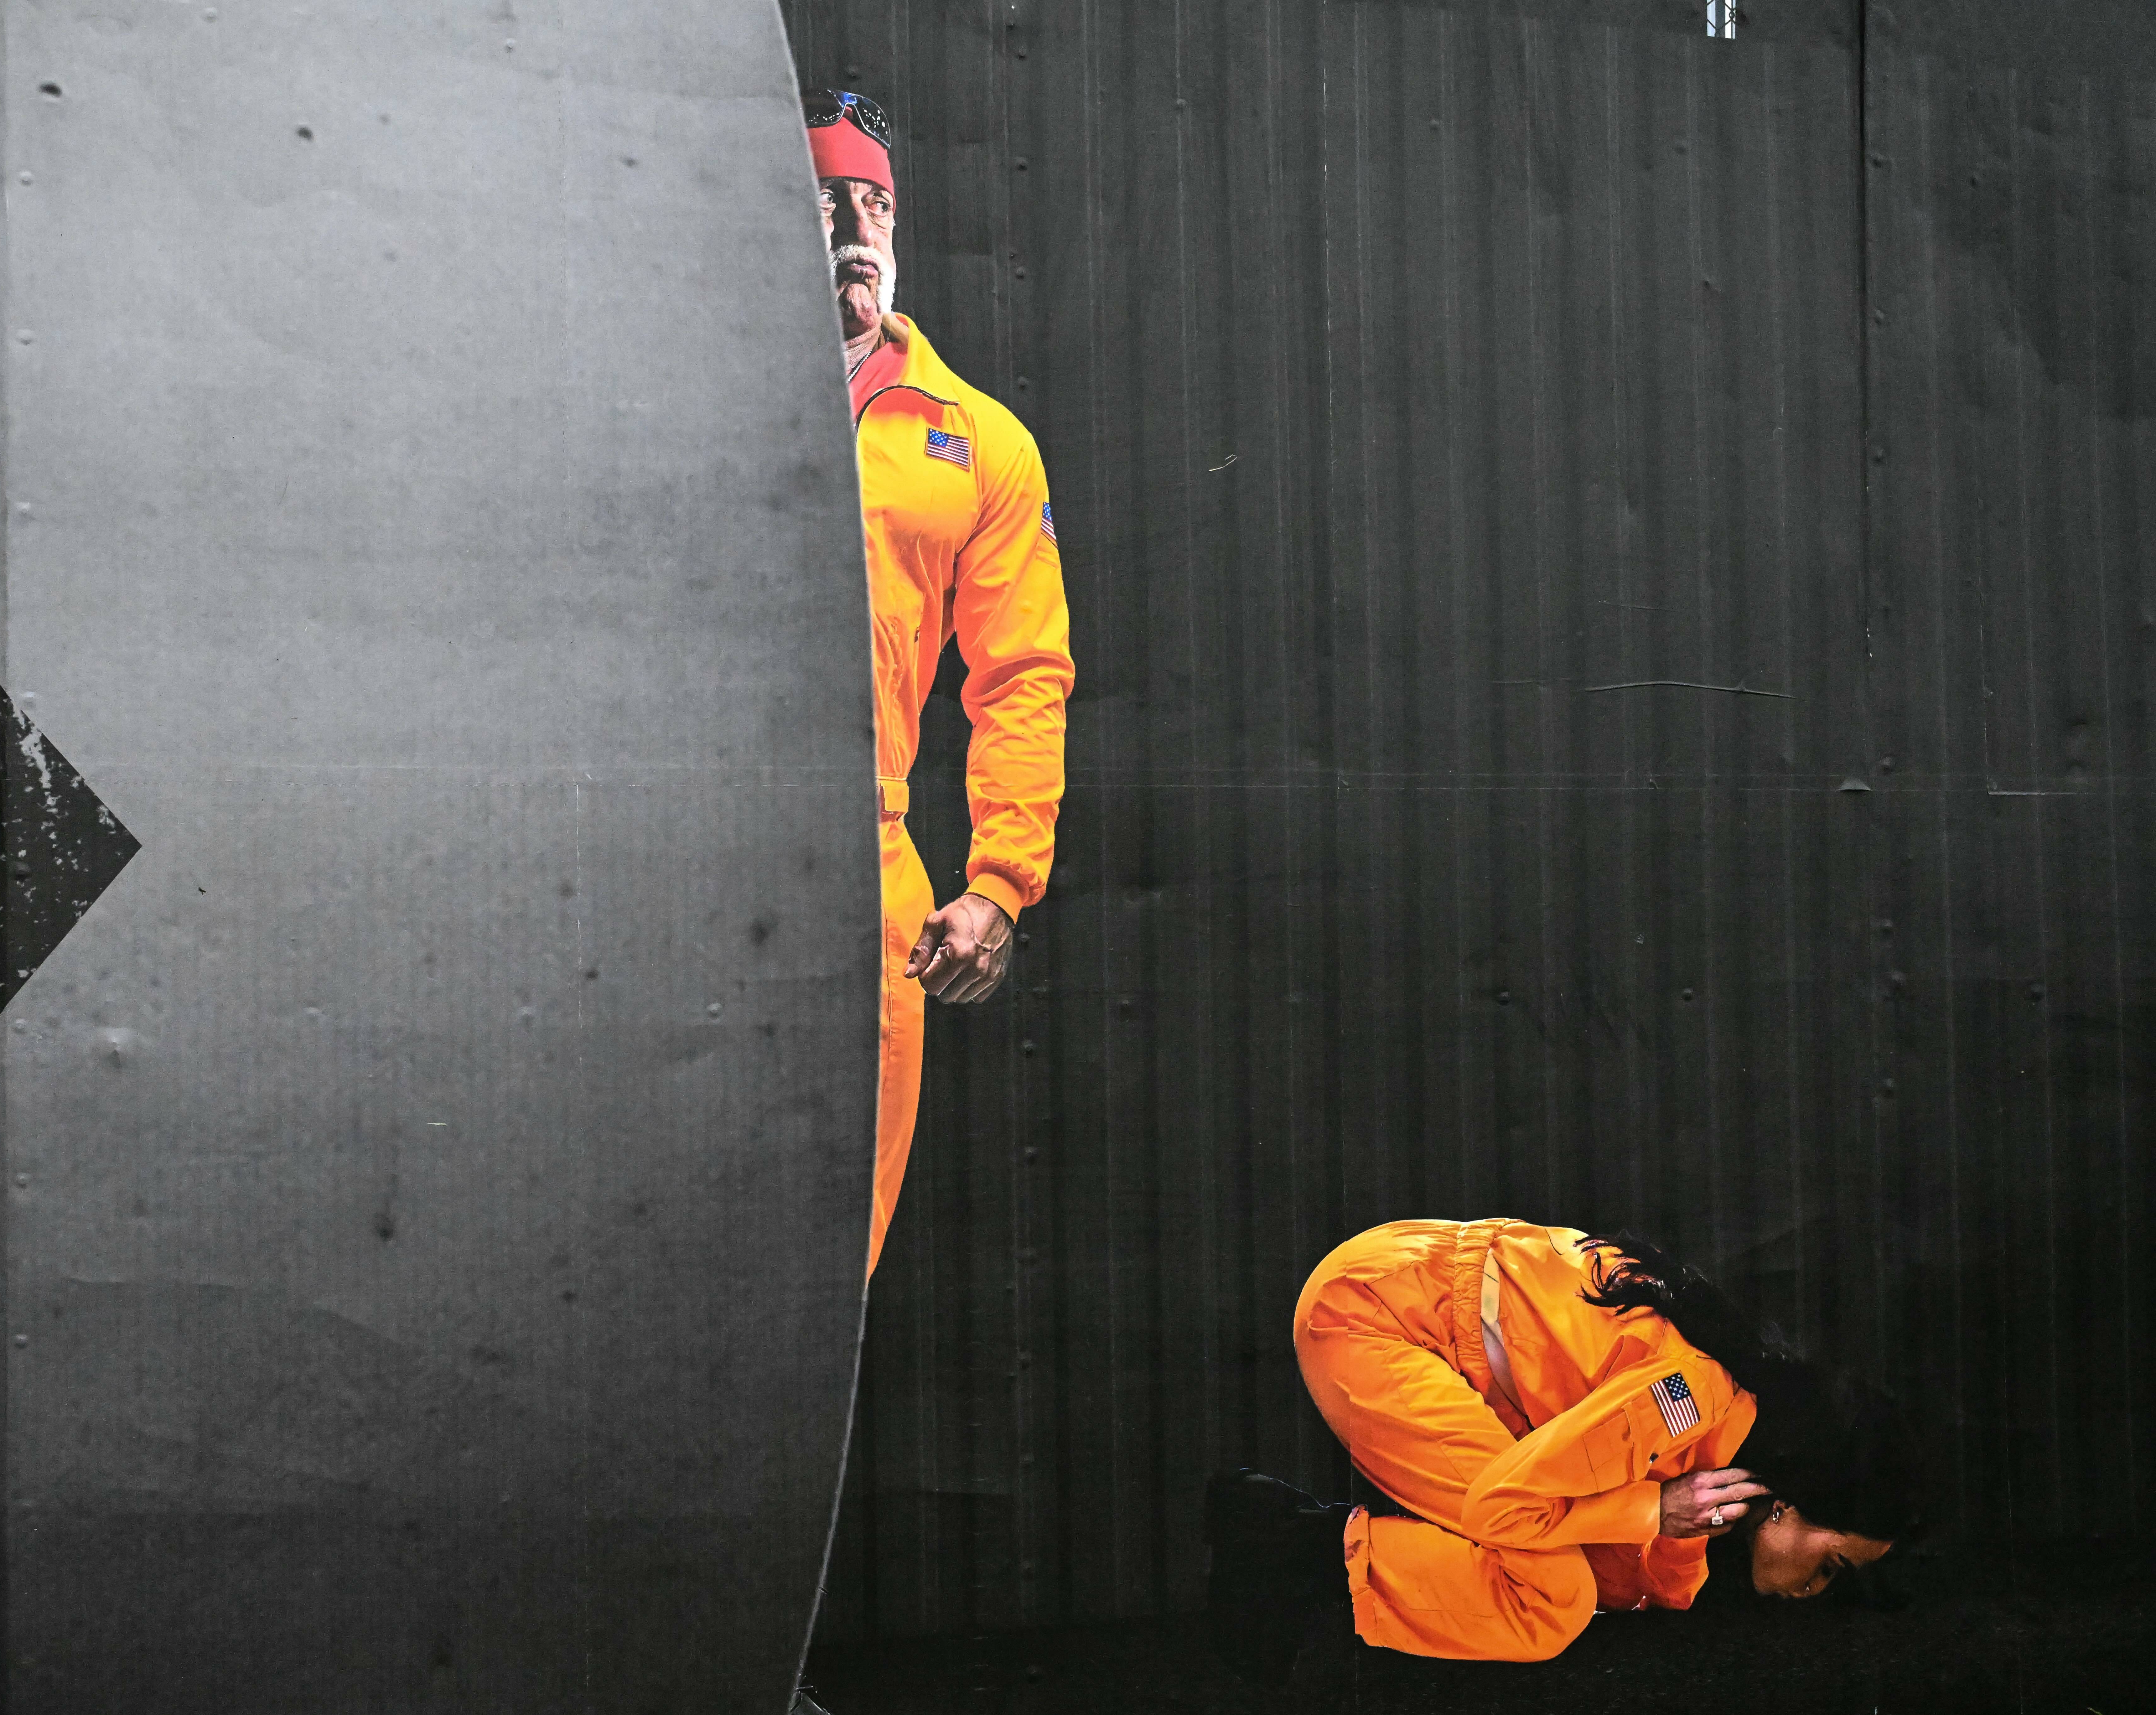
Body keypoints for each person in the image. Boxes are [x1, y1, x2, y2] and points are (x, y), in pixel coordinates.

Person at [1207, 1219, 1920, 1681]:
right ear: (1794, 1500)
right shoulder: (1688, 1399)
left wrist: (1660, 1520)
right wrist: (1652, 1509)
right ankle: (1287, 1540)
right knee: (1550, 1596)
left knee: (1569, 1558)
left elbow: (1643, 1584)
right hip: (1375, 1315)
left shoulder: (1721, 1435)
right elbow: (1507, 1506)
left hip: (1415, 1287)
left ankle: (1297, 1537)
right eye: (1828, 1565)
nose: (1812, 1590)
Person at [805, 89, 1074, 1275]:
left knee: (834, 1248)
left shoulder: (979, 439)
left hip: (866, 875)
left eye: (873, 204)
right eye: (821, 199)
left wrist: (1001, 882)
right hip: (667, 855)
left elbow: (1022, 675)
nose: (854, 227)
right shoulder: (661, 395)